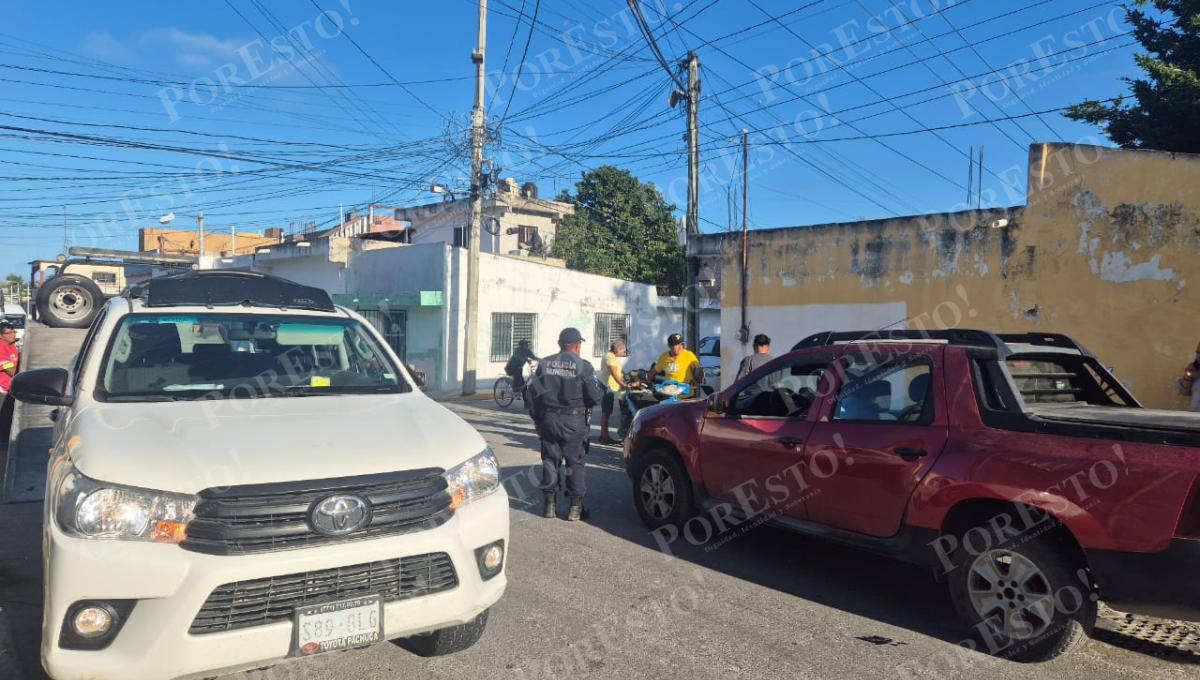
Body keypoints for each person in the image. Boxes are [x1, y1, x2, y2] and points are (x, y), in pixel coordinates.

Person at [527, 328, 603, 521]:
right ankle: (575, 509)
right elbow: (595, 397)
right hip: (574, 421)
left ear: (560, 344)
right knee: (575, 463)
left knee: (550, 461)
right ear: (577, 345)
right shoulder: (584, 366)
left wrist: (537, 420)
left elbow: (532, 394)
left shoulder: (544, 364)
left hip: (549, 420)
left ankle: (549, 507)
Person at [598, 339, 629, 445]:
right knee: (607, 412)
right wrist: (624, 384)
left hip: (607, 386)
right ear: (619, 349)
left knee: (606, 412)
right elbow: (614, 373)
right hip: (608, 387)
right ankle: (605, 437)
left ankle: (603, 435)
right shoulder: (611, 358)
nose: (624, 353)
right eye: (623, 351)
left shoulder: (609, 355)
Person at [0, 323, 19, 441]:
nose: (12, 335)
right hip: (2, 390)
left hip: (11, 388)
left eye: (14, 332)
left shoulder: (12, 346)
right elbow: (11, 370)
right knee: (4, 418)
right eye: (8, 333)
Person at [1177, 341, 1200, 412]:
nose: (1198, 356)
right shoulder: (1195, 370)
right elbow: (1185, 391)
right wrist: (1188, 377)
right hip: (1194, 417)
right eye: (1198, 352)